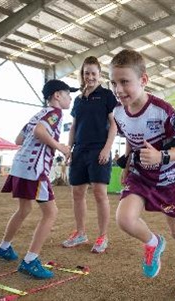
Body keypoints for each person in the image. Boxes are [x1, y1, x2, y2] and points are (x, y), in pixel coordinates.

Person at [109, 49, 175, 300]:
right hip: (140, 177)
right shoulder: (118, 112)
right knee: (124, 219)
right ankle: (152, 242)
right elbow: (131, 139)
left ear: (143, 80)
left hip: (169, 181)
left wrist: (162, 157)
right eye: (113, 83)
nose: (118, 90)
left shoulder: (163, 110)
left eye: (124, 82)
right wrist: (128, 165)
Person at [0, 79, 74, 279]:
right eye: (68, 94)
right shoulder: (56, 113)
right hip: (34, 169)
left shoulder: (38, 114)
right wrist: (60, 146)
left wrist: (49, 141)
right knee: (51, 212)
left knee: (24, 208)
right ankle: (30, 260)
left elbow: (20, 139)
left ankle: (3, 247)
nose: (70, 97)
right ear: (57, 96)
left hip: (20, 165)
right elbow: (39, 131)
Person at [62, 56, 118, 254]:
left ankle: (103, 236)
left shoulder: (107, 96)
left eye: (94, 73)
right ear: (83, 74)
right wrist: (69, 149)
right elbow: (74, 126)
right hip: (80, 150)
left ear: (99, 74)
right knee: (77, 193)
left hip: (99, 150)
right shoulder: (78, 99)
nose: (90, 77)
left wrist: (106, 148)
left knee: (99, 193)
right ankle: (80, 233)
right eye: (87, 73)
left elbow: (114, 124)